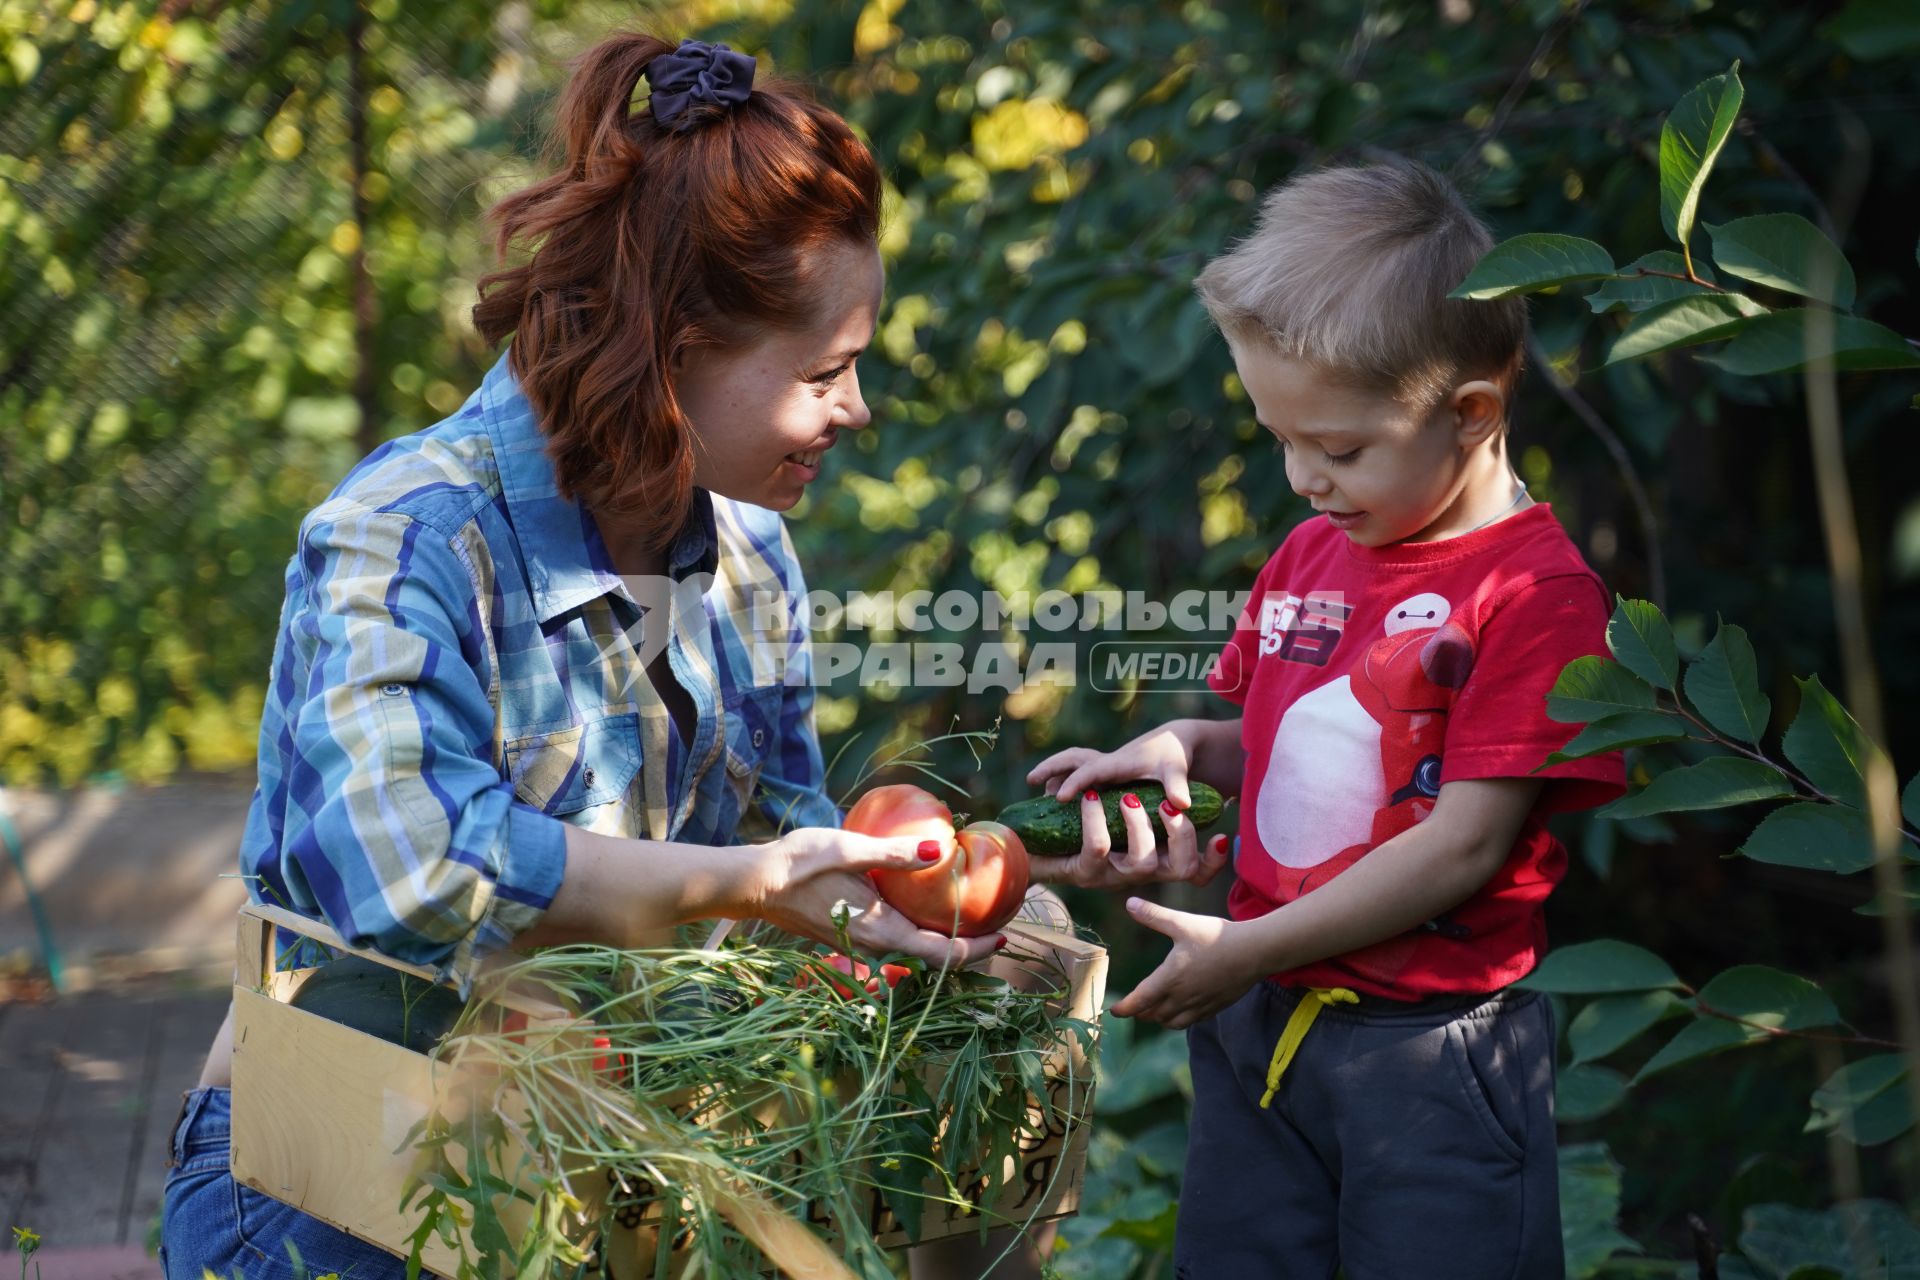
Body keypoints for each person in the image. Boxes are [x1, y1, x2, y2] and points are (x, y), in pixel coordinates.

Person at [160, 32, 1026, 1280]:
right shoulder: (405, 536)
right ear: (676, 355)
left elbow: (786, 856)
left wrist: (944, 897)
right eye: (827, 371)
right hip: (340, 1177)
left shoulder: (748, 555)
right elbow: (409, 862)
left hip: (591, 1178)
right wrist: (741, 879)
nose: (857, 408)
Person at [1025, 160, 1628, 1279]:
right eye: (1280, 438)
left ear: (1473, 412)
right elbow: (1281, 734)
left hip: (1431, 1054)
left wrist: (1248, 946)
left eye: (1339, 448)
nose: (1304, 477)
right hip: (1262, 1026)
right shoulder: (1313, 554)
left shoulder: (1532, 596)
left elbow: (1466, 842)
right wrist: (1178, 748)